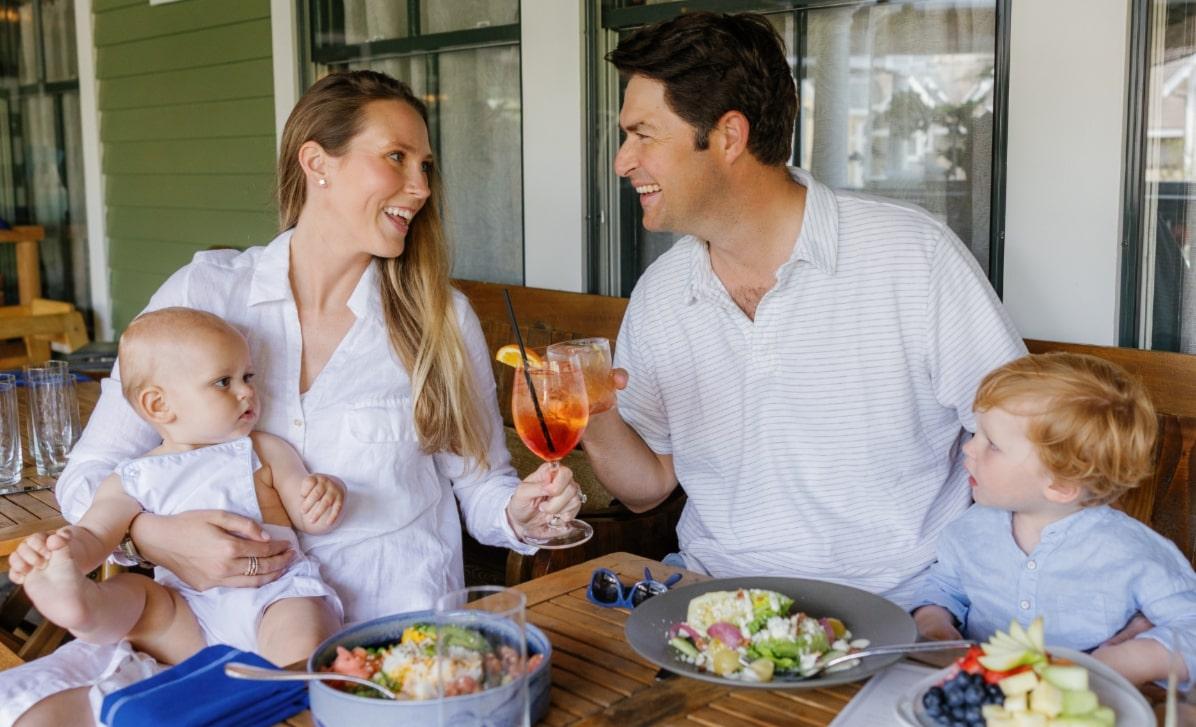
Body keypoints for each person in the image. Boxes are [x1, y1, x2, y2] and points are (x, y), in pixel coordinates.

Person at [0, 70, 583, 726]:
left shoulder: (438, 319)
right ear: (317, 162)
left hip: (390, 650)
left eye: (425, 165)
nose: (420, 188)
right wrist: (157, 537)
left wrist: (525, 512)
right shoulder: (207, 293)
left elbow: (482, 489)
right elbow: (91, 474)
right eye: (396, 158)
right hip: (200, 631)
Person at [580, 11, 1027, 606]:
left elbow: (1032, 440)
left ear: (729, 137)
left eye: (643, 134)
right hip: (713, 608)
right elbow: (647, 489)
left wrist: (964, 601)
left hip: (899, 612)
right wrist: (592, 412)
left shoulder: (912, 256)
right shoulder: (662, 292)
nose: (622, 161)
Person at [9, 308, 343, 669]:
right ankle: (81, 606)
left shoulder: (265, 450)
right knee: (140, 596)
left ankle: (286, 690)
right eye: (223, 382)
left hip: (276, 593)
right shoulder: (132, 477)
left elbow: (308, 515)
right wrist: (61, 552)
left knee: (303, 630)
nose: (247, 391)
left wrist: (324, 493)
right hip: (186, 609)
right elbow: (94, 536)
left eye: (247, 376)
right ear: (159, 404)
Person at [911, 352, 1195, 688]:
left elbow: (1189, 625)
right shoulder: (969, 528)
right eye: (976, 434)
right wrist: (934, 623)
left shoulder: (1132, 552)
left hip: (1088, 706)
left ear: (1061, 485)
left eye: (993, 445)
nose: (968, 449)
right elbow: (945, 586)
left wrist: (1120, 662)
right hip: (979, 696)